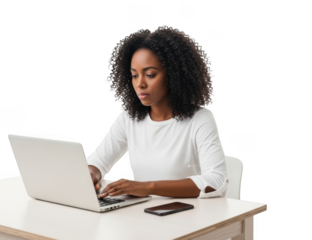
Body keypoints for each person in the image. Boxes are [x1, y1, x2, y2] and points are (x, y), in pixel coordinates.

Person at [88, 24, 228, 199]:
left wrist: (148, 187)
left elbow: (215, 181)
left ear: (173, 75)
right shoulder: (129, 118)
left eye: (150, 74)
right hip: (145, 214)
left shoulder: (200, 119)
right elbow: (98, 162)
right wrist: (91, 175)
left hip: (189, 216)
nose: (140, 84)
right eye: (134, 75)